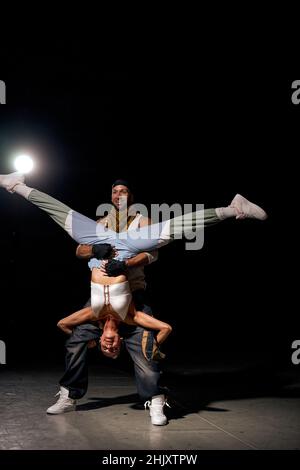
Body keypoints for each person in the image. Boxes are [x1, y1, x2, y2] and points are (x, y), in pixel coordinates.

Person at [0, 172, 268, 424]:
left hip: (133, 287)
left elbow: (152, 255)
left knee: (144, 342)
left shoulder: (142, 222)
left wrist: (126, 265)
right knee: (63, 216)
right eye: (115, 192)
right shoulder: (101, 224)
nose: (119, 195)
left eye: (124, 191)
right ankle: (15, 184)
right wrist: (95, 248)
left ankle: (154, 398)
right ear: (111, 197)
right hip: (112, 283)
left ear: (130, 196)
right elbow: (81, 251)